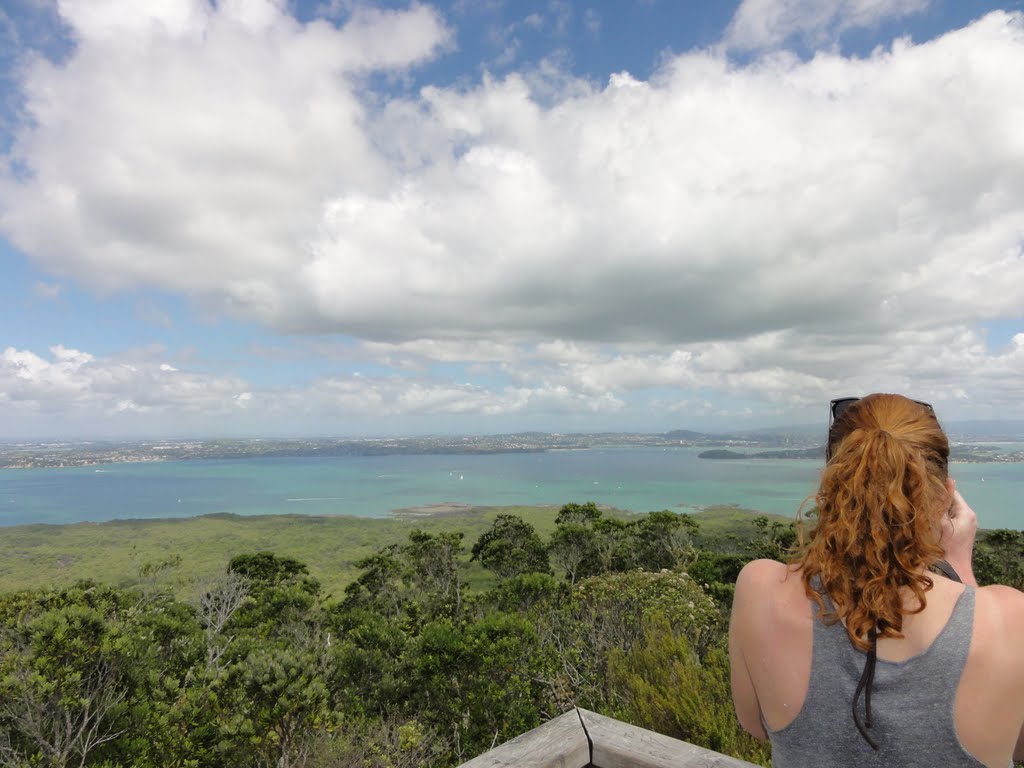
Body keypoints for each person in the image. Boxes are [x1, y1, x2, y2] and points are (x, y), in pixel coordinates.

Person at [729, 393, 1024, 767]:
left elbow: (754, 723)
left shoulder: (759, 589)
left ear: (832, 489)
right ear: (946, 497)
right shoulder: (1009, 618)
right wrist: (960, 571)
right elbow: (1016, 743)